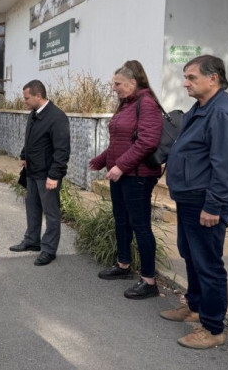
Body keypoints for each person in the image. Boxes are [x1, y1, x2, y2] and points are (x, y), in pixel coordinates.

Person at [161, 55, 228, 349]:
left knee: (208, 264)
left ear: (213, 78)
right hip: (190, 199)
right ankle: (194, 307)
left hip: (206, 203)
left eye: (191, 77)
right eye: (185, 77)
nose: (185, 83)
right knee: (191, 256)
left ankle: (213, 327)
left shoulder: (222, 112)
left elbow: (227, 166)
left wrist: (214, 206)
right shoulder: (202, 107)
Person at [89, 60, 163, 299]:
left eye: (118, 84)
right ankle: (123, 265)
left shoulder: (147, 104)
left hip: (138, 177)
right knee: (121, 221)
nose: (114, 88)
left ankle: (149, 281)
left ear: (133, 82)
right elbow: (119, 142)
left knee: (140, 226)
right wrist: (102, 160)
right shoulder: (126, 105)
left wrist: (120, 165)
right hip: (121, 174)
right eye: (114, 83)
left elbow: (147, 142)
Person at [9, 80, 70, 266]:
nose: (24, 101)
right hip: (32, 171)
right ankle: (32, 241)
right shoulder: (34, 114)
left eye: (27, 98)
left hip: (47, 175)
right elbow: (30, 138)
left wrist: (54, 175)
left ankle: (49, 250)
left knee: (51, 213)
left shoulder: (57, 117)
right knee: (32, 207)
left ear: (38, 96)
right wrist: (24, 155)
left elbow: (62, 150)